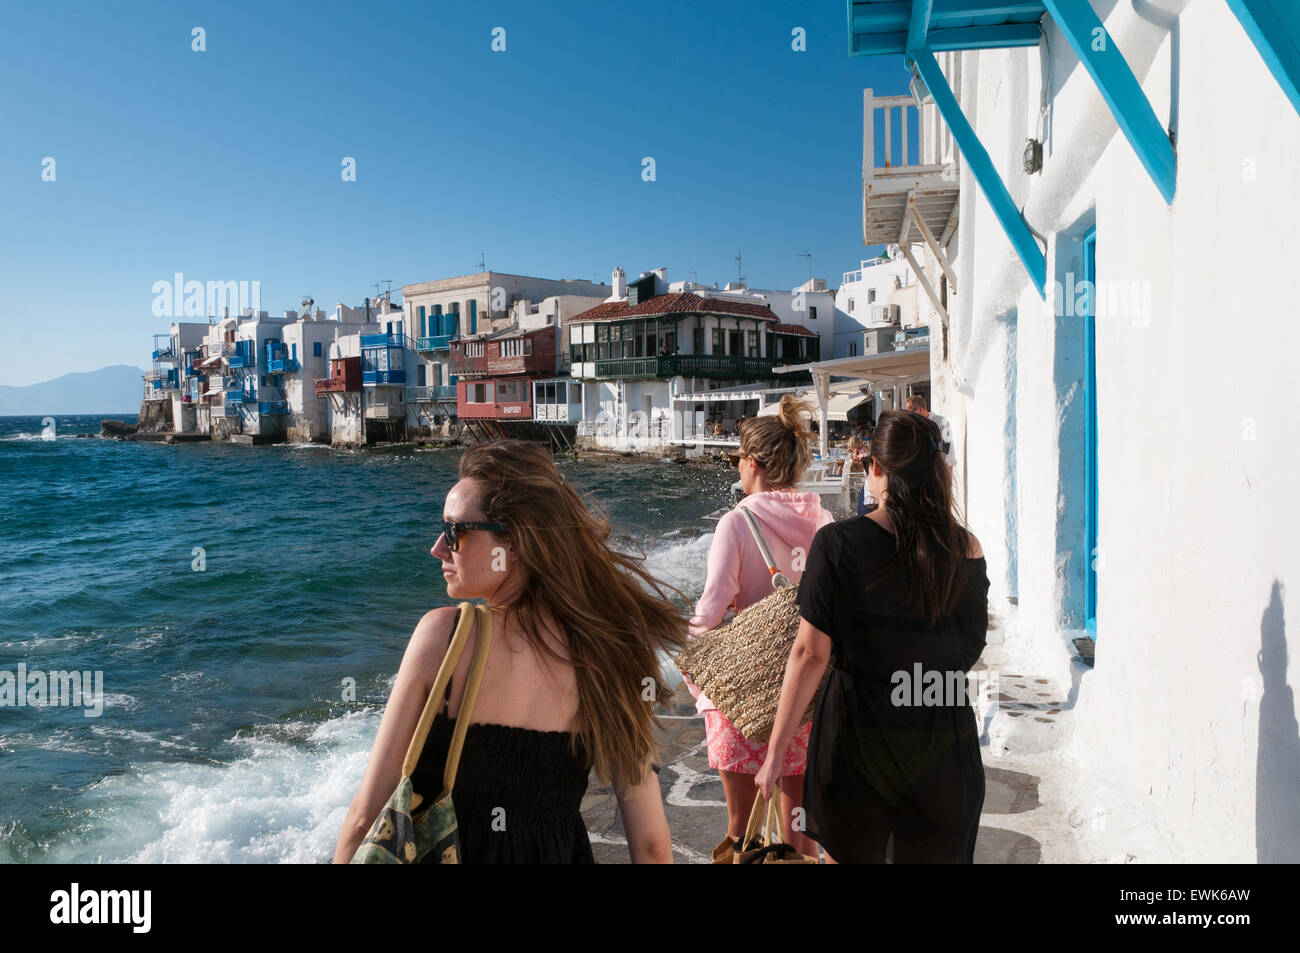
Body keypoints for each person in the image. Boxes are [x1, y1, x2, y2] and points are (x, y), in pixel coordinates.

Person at [334, 439, 684, 864]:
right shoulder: (609, 652)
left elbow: (364, 818)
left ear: (515, 543)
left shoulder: (443, 638)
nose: (438, 548)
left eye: (454, 531)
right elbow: (651, 846)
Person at [755, 409, 989, 863]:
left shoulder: (839, 544)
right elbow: (969, 647)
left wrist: (776, 751)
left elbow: (808, 653)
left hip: (858, 741)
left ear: (875, 468)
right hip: (941, 737)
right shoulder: (966, 548)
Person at [686, 394, 833, 858]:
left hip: (743, 697)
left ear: (751, 463)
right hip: (806, 698)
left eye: (736, 460)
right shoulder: (825, 523)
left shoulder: (737, 522)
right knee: (800, 835)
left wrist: (695, 672)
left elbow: (710, 614)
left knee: (741, 830)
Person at [905, 394, 953, 467]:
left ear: (920, 410)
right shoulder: (913, 427)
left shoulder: (941, 422)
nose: (909, 416)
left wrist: (946, 474)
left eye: (910, 412)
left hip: (937, 471)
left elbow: (947, 452)